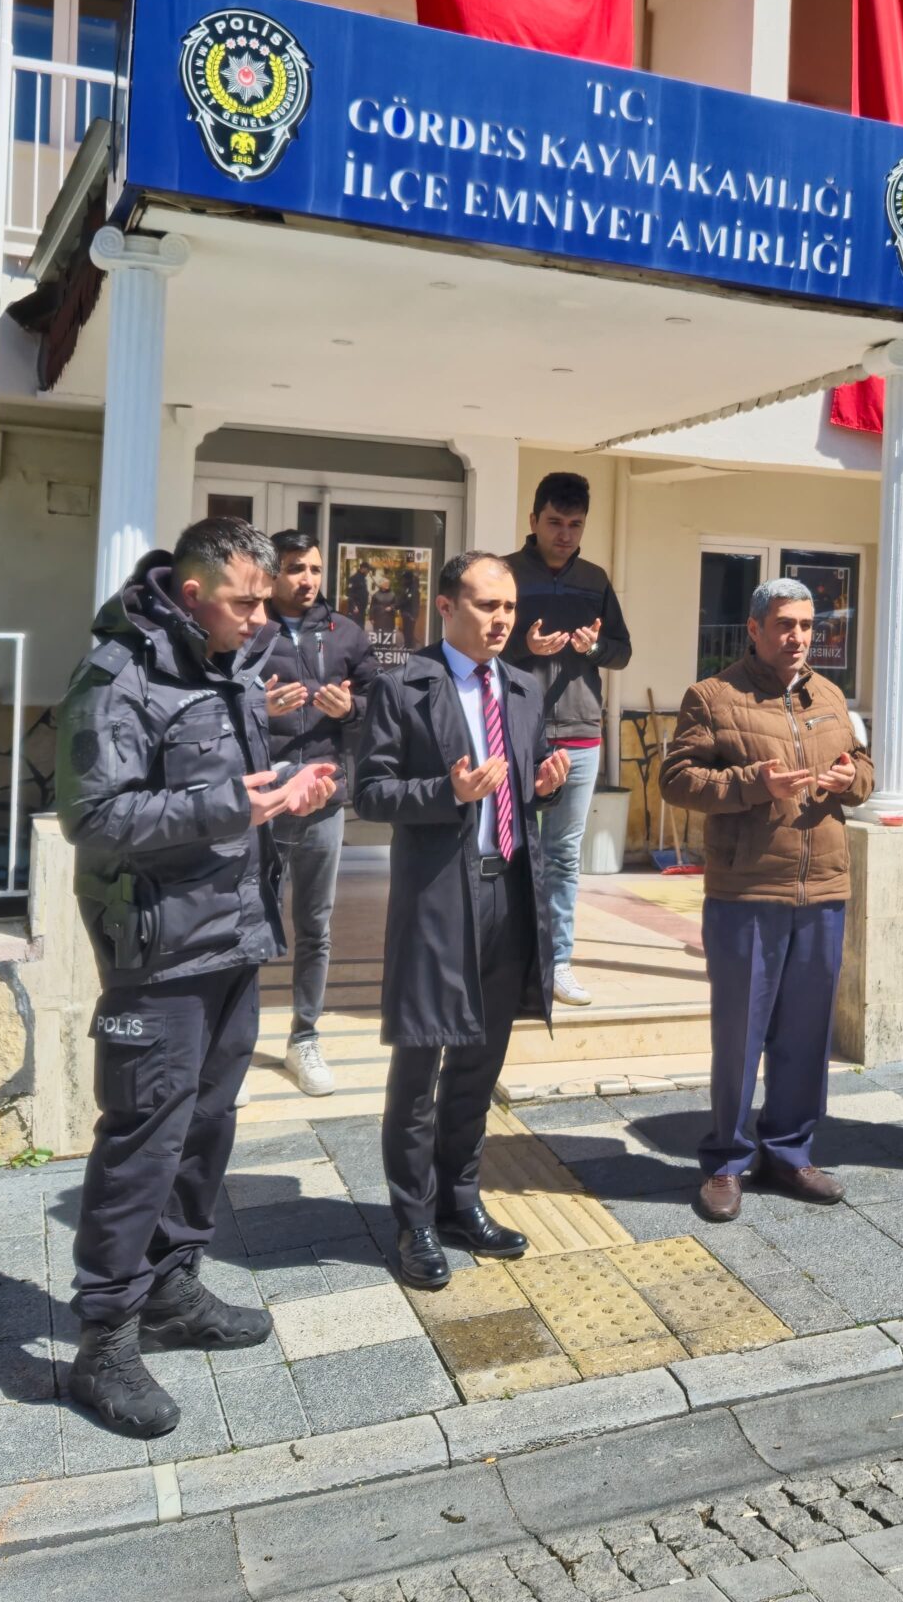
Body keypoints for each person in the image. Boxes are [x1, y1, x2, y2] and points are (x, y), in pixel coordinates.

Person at [55, 519, 337, 1437]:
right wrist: (227, 805)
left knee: (207, 1128)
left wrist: (284, 793)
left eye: (267, 600)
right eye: (247, 601)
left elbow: (230, 796)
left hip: (233, 938)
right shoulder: (119, 676)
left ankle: (174, 1289)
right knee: (144, 1137)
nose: (265, 615)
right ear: (190, 595)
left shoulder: (229, 665)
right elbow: (94, 817)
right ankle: (106, 1340)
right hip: (159, 952)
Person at [356, 551, 571, 1289]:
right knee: (420, 1065)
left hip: (507, 893)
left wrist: (542, 784)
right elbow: (372, 794)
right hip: (438, 901)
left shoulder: (522, 685)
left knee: (480, 1066)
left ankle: (460, 1199)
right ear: (445, 607)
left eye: (509, 607)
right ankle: (413, 1218)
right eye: (486, 606)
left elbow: (524, 782)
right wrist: (445, 793)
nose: (501, 620)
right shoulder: (402, 684)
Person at [660, 578, 876, 1222]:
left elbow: (864, 768)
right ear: (754, 628)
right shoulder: (713, 695)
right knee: (740, 1034)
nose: (799, 637)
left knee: (807, 1036)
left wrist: (851, 778)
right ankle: (726, 1160)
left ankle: (789, 1150)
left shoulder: (829, 693)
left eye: (808, 626)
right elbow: (678, 780)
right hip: (747, 889)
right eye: (785, 625)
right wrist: (756, 783)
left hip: (824, 888)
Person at [257, 528, 378, 1098]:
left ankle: (304, 1037)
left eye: (313, 569)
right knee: (247, 924)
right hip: (262, 799)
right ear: (271, 572)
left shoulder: (346, 633)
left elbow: (383, 706)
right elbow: (215, 701)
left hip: (324, 798)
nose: (306, 580)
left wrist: (351, 706)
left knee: (316, 926)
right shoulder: (249, 628)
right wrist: (259, 709)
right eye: (294, 569)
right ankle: (233, 1042)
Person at [507, 471, 632, 1010]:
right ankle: (510, 963)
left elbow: (623, 651)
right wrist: (523, 646)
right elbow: (477, 648)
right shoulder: (505, 575)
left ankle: (558, 963)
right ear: (533, 521)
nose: (564, 534)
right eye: (554, 522)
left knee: (562, 857)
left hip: (580, 735)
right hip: (513, 733)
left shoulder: (595, 578)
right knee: (507, 851)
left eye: (575, 525)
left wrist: (598, 646)